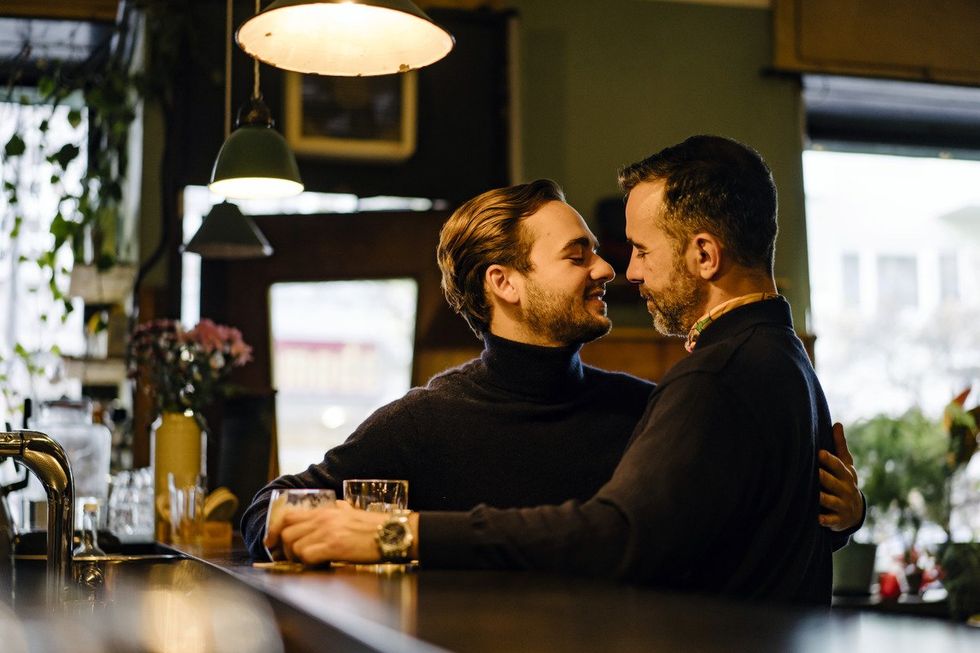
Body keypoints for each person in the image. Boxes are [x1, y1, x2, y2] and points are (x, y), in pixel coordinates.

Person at [268, 136, 858, 604]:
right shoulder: (424, 419)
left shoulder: (665, 398)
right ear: (505, 283)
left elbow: (626, 535)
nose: (613, 270)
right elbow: (276, 507)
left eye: (633, 251)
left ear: (704, 255)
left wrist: (832, 519)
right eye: (579, 255)